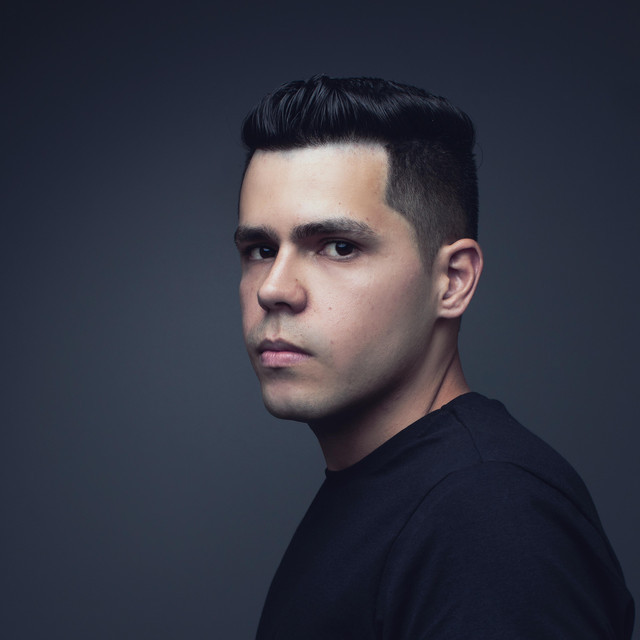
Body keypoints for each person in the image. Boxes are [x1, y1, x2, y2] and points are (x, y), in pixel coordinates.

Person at [234, 75, 634, 639]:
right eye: (261, 249)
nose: (273, 288)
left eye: (339, 247)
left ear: (452, 280)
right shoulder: (400, 492)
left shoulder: (488, 516)